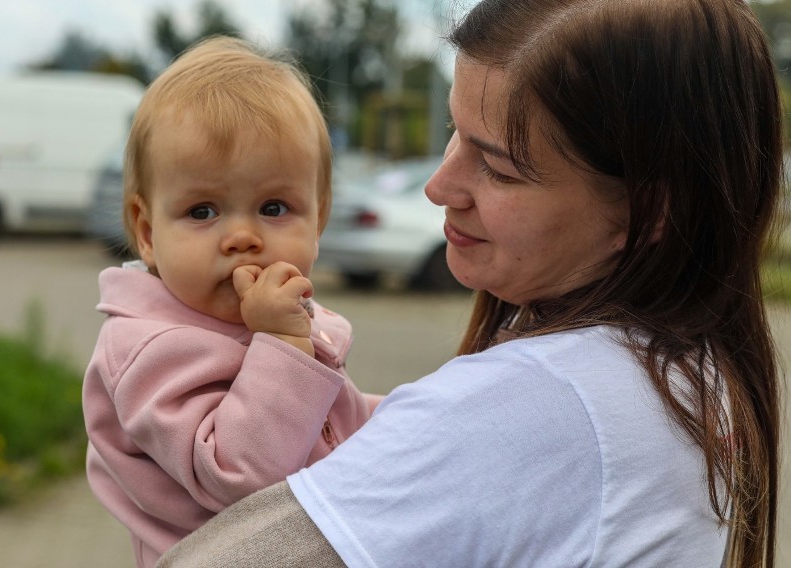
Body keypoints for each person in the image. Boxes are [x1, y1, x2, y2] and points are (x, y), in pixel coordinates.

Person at [156, 0, 783, 566]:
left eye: (499, 168)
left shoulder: (530, 409)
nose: (439, 186)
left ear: (648, 210)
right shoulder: (692, 369)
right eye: (455, 132)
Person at [82, 36, 381, 568]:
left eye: (273, 206)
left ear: (319, 218)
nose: (241, 237)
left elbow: (344, 423)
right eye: (203, 212)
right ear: (148, 233)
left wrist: (426, 415)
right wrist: (284, 343)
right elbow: (236, 476)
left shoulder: (259, 326)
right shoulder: (147, 349)